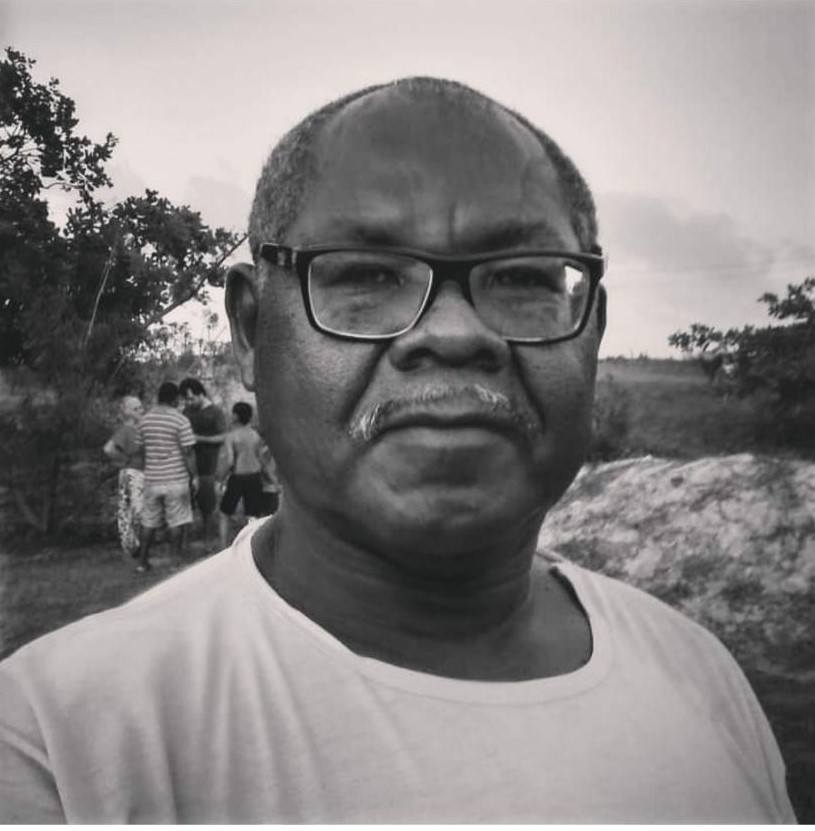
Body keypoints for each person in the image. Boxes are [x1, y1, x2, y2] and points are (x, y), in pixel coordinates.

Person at [0, 78, 795, 823]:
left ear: (591, 330)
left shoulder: (697, 673)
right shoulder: (62, 746)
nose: (453, 332)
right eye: (366, 275)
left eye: (521, 278)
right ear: (250, 328)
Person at [133, 381, 198, 571]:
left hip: (152, 479)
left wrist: (148, 467)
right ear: (175, 398)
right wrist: (194, 476)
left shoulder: (144, 420)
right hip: (176, 478)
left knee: (149, 521)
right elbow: (188, 452)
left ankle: (142, 562)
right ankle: (174, 563)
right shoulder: (180, 420)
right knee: (176, 520)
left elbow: (141, 450)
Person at [216, 401, 276, 548]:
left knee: (224, 513)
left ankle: (223, 546)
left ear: (236, 416)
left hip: (238, 476)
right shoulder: (255, 435)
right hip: (254, 476)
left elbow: (230, 461)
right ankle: (251, 547)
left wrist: (220, 478)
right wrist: (271, 478)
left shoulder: (231, 436)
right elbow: (261, 459)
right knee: (252, 515)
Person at [179, 377, 227, 541]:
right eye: (186, 399)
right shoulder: (186, 411)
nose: (189, 402)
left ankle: (208, 537)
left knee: (207, 502)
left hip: (209, 463)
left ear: (201, 394)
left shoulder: (216, 412)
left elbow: (223, 437)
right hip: (186, 464)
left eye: (191, 398)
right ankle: (185, 537)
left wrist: (199, 438)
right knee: (185, 502)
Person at [102, 395, 145, 559]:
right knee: (133, 510)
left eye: (141, 407)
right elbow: (108, 449)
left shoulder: (141, 429)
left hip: (144, 473)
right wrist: (124, 460)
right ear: (127, 412)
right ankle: (132, 546)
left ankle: (139, 545)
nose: (140, 411)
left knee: (140, 510)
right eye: (136, 409)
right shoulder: (125, 430)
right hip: (132, 473)